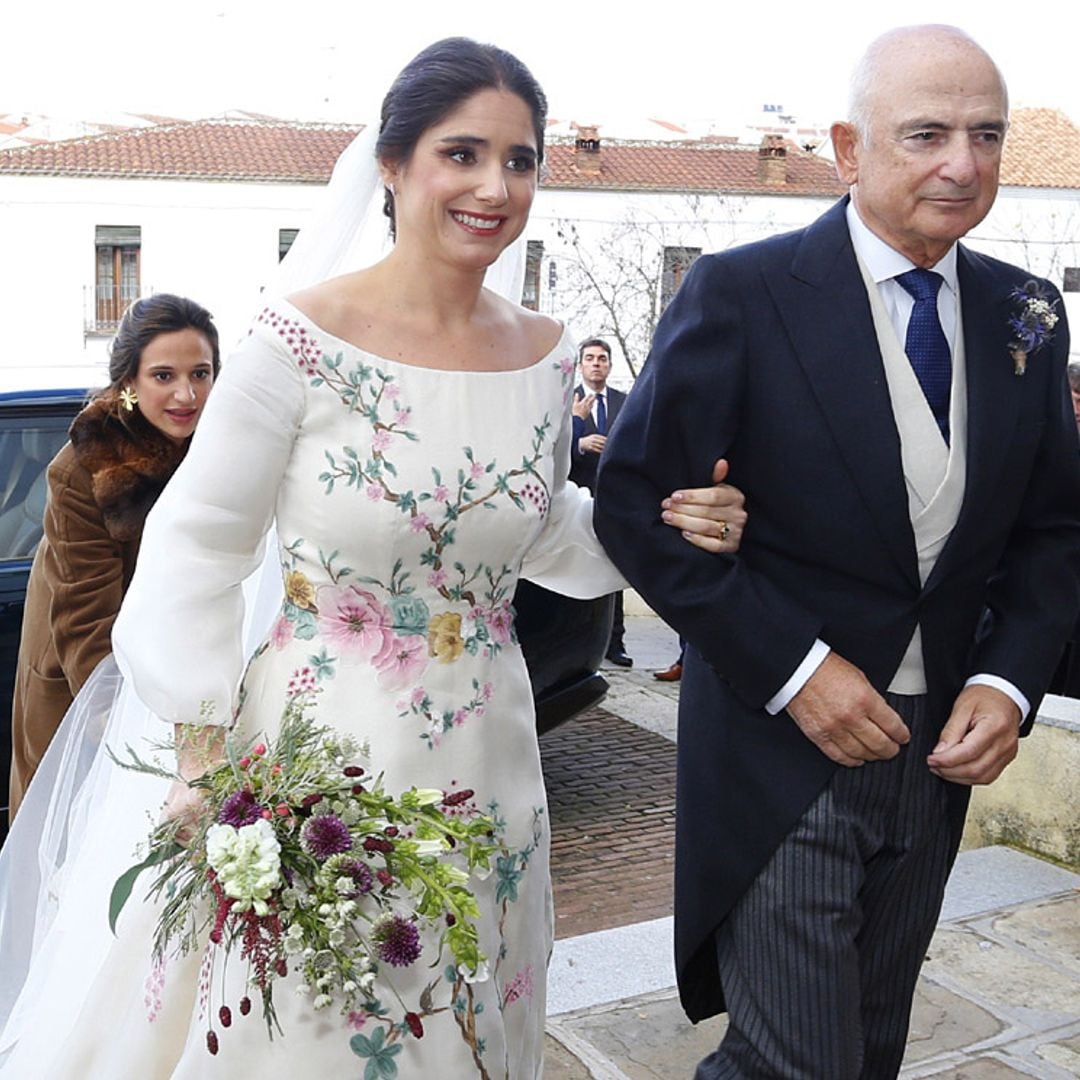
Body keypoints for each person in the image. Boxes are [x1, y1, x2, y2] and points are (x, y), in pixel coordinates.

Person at [0, 39, 746, 1079]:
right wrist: (204, 756)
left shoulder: (539, 352)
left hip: (490, 752)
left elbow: (540, 532)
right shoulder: (294, 344)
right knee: (315, 1031)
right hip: (320, 756)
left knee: (469, 1017)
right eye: (463, 154)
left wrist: (672, 525)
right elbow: (196, 551)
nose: (496, 186)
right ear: (393, 165)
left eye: (520, 160)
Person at [594, 24, 1080, 1080]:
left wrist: (1008, 679)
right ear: (849, 147)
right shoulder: (741, 292)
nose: (964, 162)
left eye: (986, 135)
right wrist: (796, 671)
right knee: (794, 1059)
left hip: (939, 752)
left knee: (867, 1045)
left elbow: (1053, 532)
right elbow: (633, 507)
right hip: (781, 755)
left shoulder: (1027, 313)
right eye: (928, 133)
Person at [8, 293, 219, 819]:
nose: (186, 393)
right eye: (164, 376)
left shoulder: (217, 447)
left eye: (201, 373)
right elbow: (84, 621)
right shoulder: (85, 468)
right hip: (88, 691)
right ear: (129, 381)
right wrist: (129, 739)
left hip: (182, 674)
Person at [569, 337, 632, 666]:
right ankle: (574, 642)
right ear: (580, 365)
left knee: (612, 571)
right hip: (576, 502)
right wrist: (580, 442)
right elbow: (554, 449)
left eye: (602, 358)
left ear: (609, 365)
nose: (596, 363)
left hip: (613, 502)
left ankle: (615, 642)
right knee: (575, 569)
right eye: (590, 358)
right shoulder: (567, 401)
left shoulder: (626, 402)